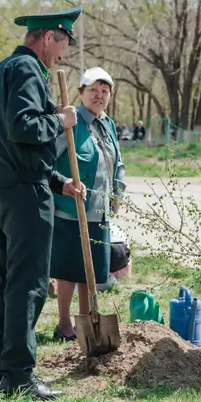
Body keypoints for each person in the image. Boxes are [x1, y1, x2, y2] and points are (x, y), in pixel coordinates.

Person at [0, 6, 85, 401]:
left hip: (3, 189)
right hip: (24, 196)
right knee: (30, 285)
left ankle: (3, 373)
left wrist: (58, 182)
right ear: (47, 37)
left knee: (8, 283)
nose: (60, 54)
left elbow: (10, 141)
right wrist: (62, 120)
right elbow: (25, 128)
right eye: (61, 44)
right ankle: (19, 377)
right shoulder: (26, 70)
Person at [50, 67, 126, 341]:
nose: (99, 96)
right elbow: (49, 160)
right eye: (93, 90)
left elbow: (117, 163)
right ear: (81, 93)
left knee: (90, 268)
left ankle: (85, 318)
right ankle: (63, 323)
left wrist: (117, 194)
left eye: (104, 91)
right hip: (70, 208)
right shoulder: (69, 123)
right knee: (68, 268)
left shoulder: (108, 124)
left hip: (99, 210)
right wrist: (64, 182)